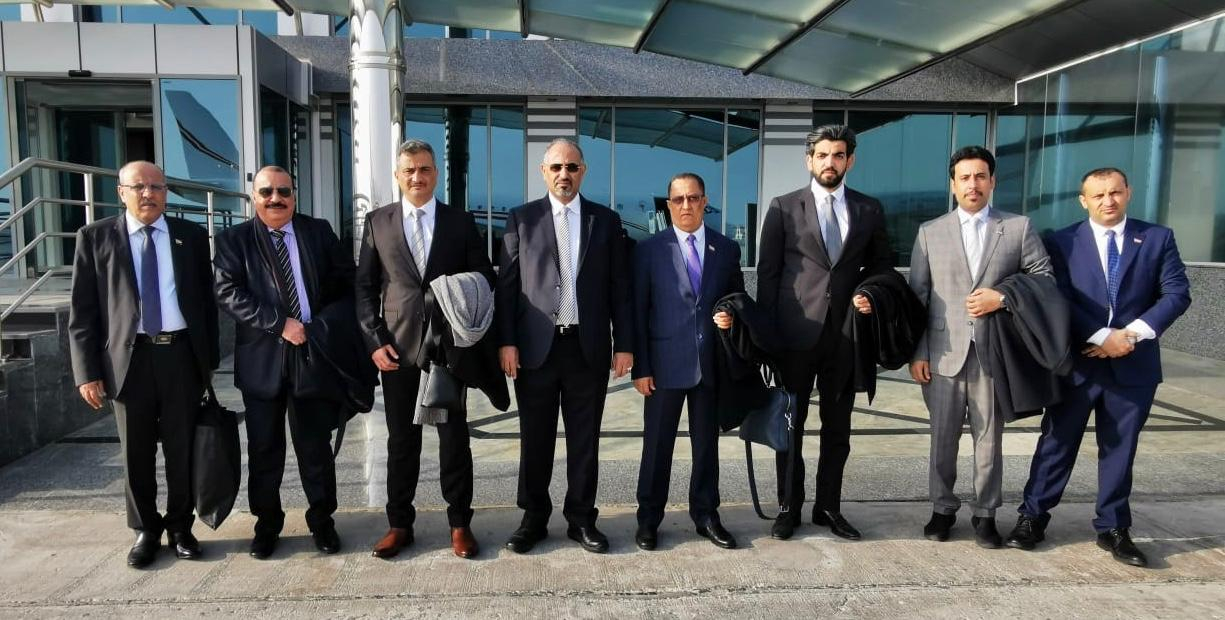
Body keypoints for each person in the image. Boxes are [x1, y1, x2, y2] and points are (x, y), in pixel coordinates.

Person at [1006, 168, 1191, 567]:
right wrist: (1101, 335)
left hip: (1134, 365)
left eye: (1115, 192)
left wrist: (1131, 335)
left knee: (1120, 449)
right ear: (1083, 200)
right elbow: (1056, 295)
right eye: (1099, 195)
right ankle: (1032, 517)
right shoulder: (1062, 241)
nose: (1108, 201)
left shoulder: (1157, 238)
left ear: (1128, 193)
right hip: (1078, 362)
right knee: (1056, 442)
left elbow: (1176, 293)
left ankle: (1114, 528)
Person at [68, 160, 219, 568]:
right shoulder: (95, 237)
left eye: (156, 186)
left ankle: (180, 527)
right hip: (127, 360)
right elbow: (82, 313)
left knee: (181, 448)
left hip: (180, 356)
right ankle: (145, 530)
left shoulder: (190, 236)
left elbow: (206, 303)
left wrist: (208, 361)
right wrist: (87, 372)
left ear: (166, 193)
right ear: (121, 192)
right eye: (138, 187)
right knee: (136, 453)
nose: (148, 194)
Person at [355, 139, 495, 560]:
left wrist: (455, 299)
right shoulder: (377, 222)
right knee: (402, 442)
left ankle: (460, 524)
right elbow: (364, 288)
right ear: (398, 176)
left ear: (436, 173)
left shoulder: (460, 221)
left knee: (454, 441)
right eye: (409, 170)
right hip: (397, 351)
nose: (417, 177)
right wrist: (375, 341)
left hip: (447, 351)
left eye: (425, 169)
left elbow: (484, 277)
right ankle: (399, 525)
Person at [908, 146, 1052, 548]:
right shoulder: (930, 232)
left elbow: (1044, 277)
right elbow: (917, 298)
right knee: (942, 438)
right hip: (942, 354)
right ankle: (942, 508)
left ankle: (985, 513)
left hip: (994, 353)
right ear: (953, 185)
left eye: (980, 176)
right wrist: (917, 352)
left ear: (992, 181)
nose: (973, 184)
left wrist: (1002, 298)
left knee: (989, 440)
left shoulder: (1017, 227)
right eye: (965, 177)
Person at [496, 137, 633, 554]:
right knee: (534, 438)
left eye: (572, 167)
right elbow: (507, 288)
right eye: (556, 167)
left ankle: (581, 518)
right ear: (544, 172)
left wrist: (624, 343)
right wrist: (507, 342)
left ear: (583, 172)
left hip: (586, 348)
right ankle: (533, 518)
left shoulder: (605, 221)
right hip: (536, 349)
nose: (564, 174)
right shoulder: (521, 219)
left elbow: (620, 288)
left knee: (584, 440)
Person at [755, 125, 891, 541]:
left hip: (846, 336)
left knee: (838, 429)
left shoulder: (868, 209)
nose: (829, 162)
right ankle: (788, 507)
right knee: (790, 426)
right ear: (809, 160)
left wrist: (869, 294)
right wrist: (767, 341)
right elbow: (768, 275)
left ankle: (828, 507)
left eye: (838, 155)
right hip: (795, 336)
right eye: (822, 155)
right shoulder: (783, 207)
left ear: (850, 160)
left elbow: (882, 267)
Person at [213, 166, 354, 559]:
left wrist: (323, 326)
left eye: (284, 191)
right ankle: (267, 525)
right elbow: (227, 292)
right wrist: (280, 323)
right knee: (264, 450)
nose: (276, 198)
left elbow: (347, 281)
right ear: (254, 197)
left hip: (311, 355)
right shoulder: (234, 240)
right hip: (262, 362)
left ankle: (322, 521)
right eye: (267, 192)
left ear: (294, 194)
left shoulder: (318, 231)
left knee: (315, 449)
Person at [631, 172, 744, 551]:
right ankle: (648, 519)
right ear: (668, 205)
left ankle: (707, 515)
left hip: (710, 365)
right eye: (678, 199)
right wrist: (641, 367)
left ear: (704, 202)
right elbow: (638, 312)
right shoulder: (649, 250)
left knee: (706, 447)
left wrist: (731, 315)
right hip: (663, 367)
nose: (686, 205)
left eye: (693, 198)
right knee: (656, 447)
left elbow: (737, 298)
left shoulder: (726, 249)